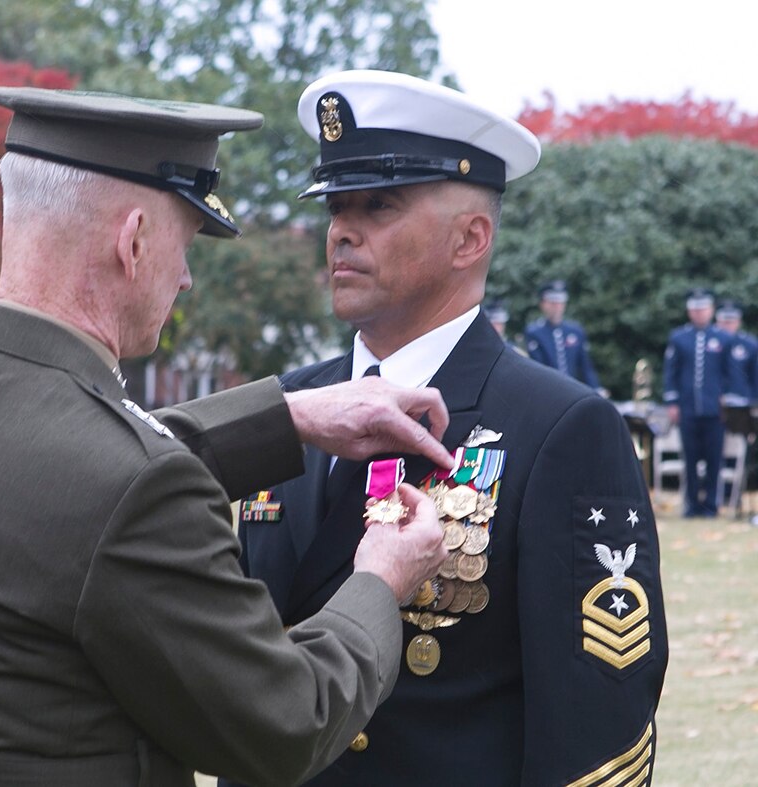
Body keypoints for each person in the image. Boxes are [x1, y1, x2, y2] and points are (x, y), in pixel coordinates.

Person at [0, 86, 455, 787]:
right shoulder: (134, 488)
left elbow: (66, 465)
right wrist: (378, 581)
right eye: (185, 243)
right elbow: (288, 722)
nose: (186, 278)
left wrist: (286, 415)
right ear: (133, 240)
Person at [230, 70, 668, 786]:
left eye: (379, 205)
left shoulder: (559, 425)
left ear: (471, 238)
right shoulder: (288, 407)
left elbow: (597, 723)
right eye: (337, 204)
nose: (343, 228)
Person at [663, 288, 736, 517]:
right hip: (688, 409)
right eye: (695, 309)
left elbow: (731, 373)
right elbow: (670, 373)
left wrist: (728, 399)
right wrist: (673, 402)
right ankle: (692, 504)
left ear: (711, 310)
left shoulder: (724, 339)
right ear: (689, 311)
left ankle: (711, 505)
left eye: (703, 308)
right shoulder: (679, 338)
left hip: (715, 411)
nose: (699, 313)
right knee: (691, 458)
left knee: (714, 459)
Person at [524, 279, 608, 395]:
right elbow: (539, 367)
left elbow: (585, 366)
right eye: (553, 303)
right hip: (547, 392)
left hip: (573, 392)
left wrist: (596, 389)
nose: (557, 307)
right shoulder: (534, 332)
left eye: (560, 302)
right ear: (543, 304)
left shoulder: (575, 331)